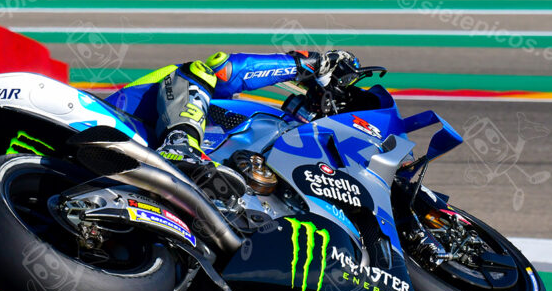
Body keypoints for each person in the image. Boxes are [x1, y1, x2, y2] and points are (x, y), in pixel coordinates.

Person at [104, 50, 360, 200]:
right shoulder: (252, 115)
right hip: (120, 120)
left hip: (124, 175)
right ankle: (179, 144)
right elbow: (222, 68)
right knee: (200, 72)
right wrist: (308, 65)